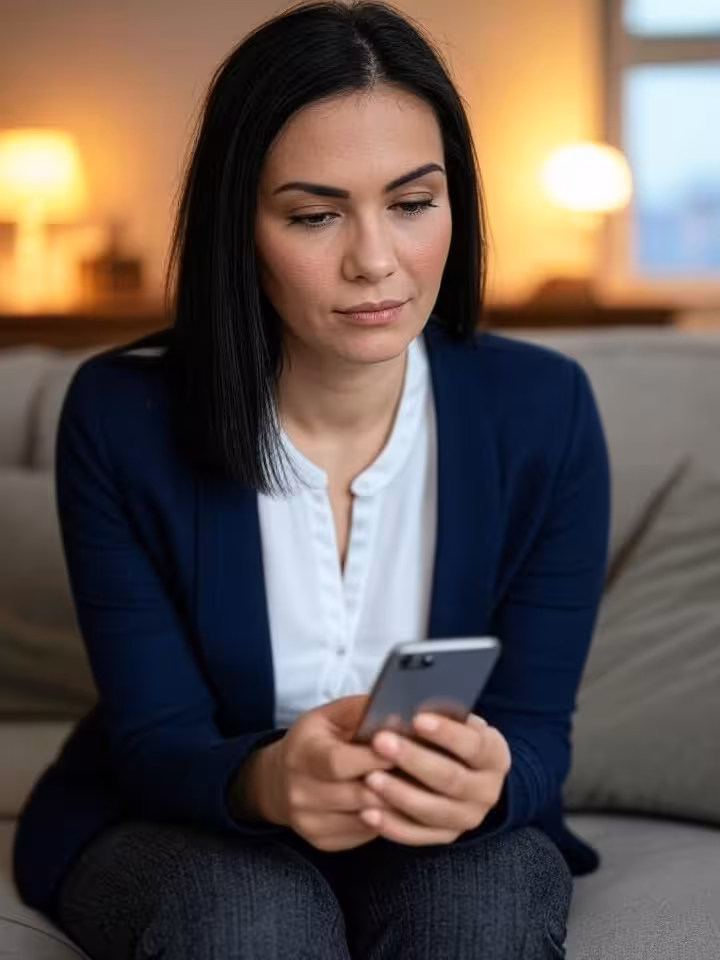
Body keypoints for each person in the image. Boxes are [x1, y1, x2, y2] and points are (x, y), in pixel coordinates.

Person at [12, 1, 611, 957]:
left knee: (480, 914)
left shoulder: (545, 412)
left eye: (413, 204)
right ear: (239, 225)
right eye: (315, 214)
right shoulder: (121, 417)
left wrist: (494, 776)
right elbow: (155, 734)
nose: (375, 261)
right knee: (252, 919)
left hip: (442, 839)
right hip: (187, 820)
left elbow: (539, 732)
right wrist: (265, 781)